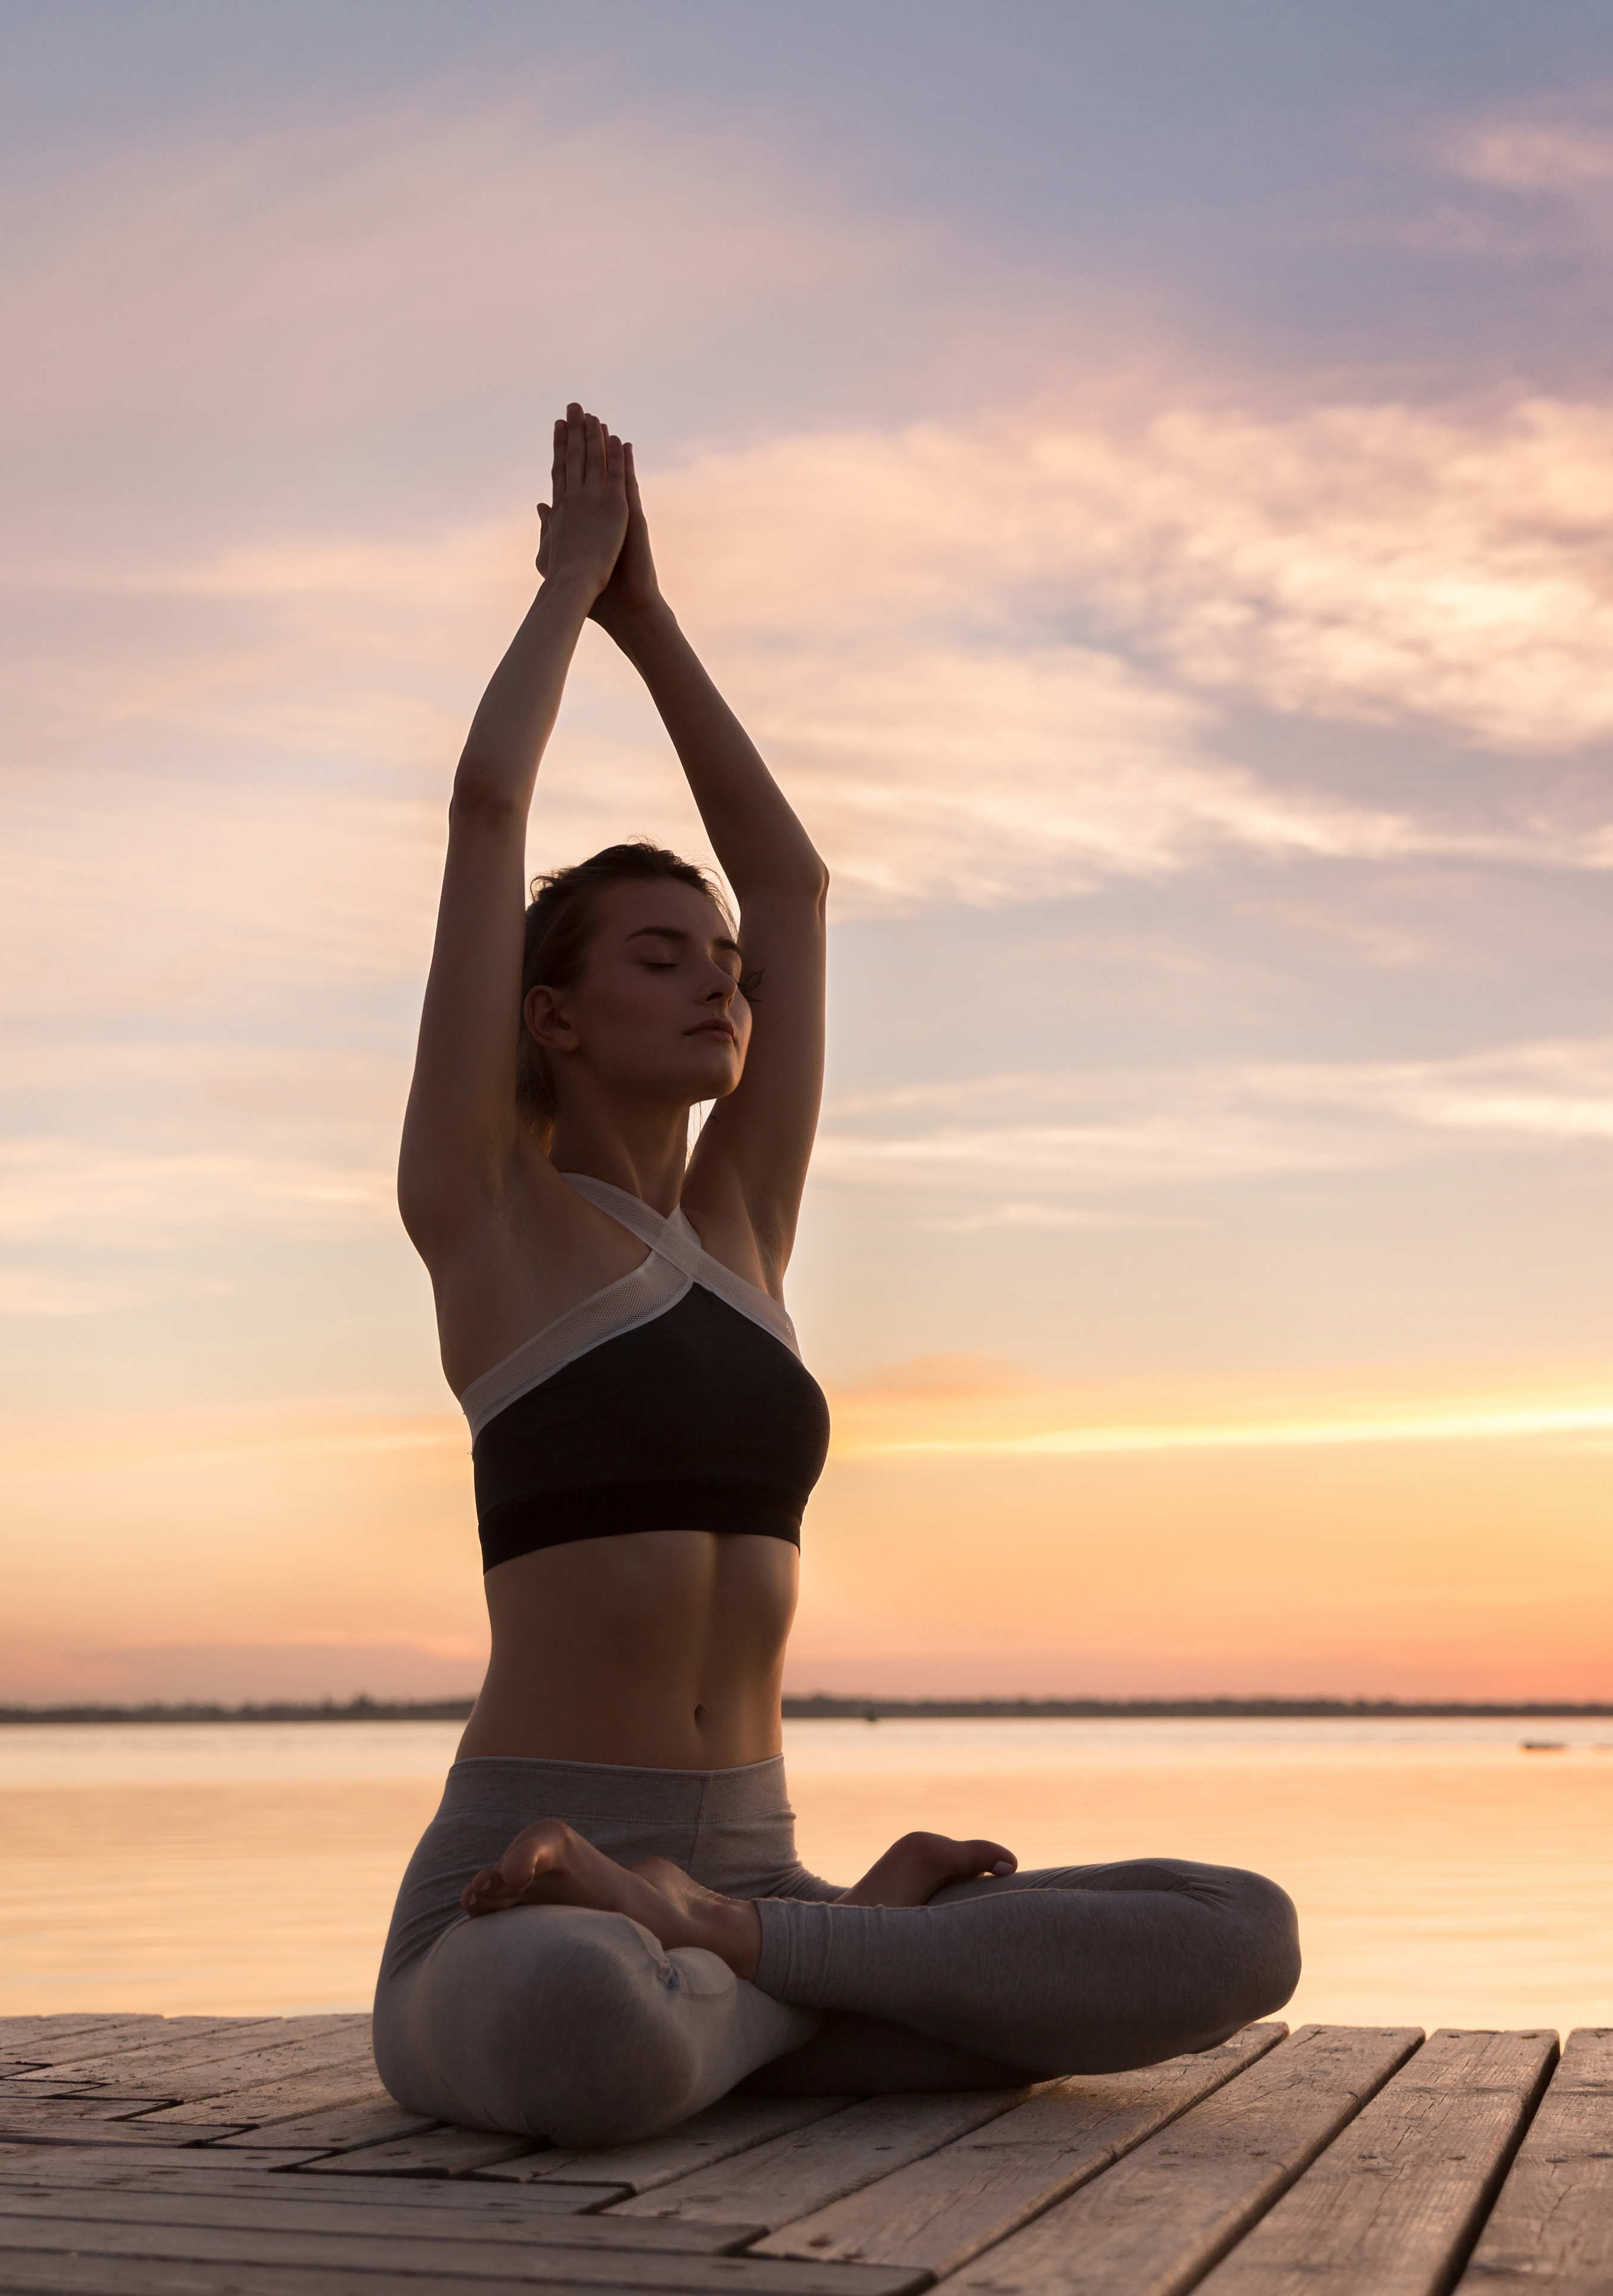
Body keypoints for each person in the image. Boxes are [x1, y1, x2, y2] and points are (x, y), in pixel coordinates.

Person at [371, 405, 1300, 2145]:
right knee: (587, 2020)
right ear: (552, 1016)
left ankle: (753, 1951)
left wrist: (662, 620)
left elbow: (792, 884)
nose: (724, 982)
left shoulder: (746, 1227)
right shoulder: (484, 1217)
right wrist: (574, 594)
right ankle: (819, 1985)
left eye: (722, 965)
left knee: (1237, 1928)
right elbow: (490, 805)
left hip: (747, 1862)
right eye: (666, 957)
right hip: (522, 1887)